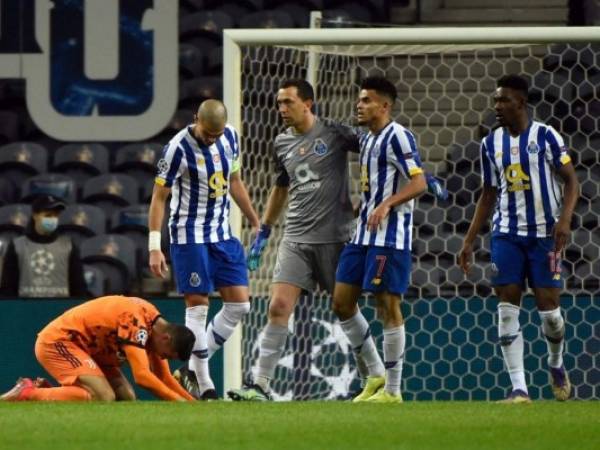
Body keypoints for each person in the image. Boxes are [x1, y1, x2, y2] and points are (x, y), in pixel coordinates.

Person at [227, 78, 446, 402]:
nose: (281, 109)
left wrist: (421, 181)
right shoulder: (281, 143)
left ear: (308, 103)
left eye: (288, 102)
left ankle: (378, 377)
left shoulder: (339, 133)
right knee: (278, 305)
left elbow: (394, 156)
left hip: (337, 237)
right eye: (278, 103)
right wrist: (265, 230)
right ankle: (260, 384)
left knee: (350, 305)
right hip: (296, 237)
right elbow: (281, 186)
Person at [459, 74, 579, 403]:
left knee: (550, 314)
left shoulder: (546, 136)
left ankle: (555, 364)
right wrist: (469, 240)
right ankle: (519, 389)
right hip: (507, 234)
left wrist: (565, 219)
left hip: (544, 235)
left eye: (504, 100)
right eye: (495, 100)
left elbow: (572, 181)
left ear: (521, 103)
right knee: (507, 307)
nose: (497, 106)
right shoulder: (490, 143)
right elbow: (488, 193)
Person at [148, 99, 260, 400]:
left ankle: (191, 369)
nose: (213, 139)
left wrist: (253, 218)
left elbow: (234, 181)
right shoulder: (176, 149)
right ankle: (206, 386)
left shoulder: (231, 136)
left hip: (222, 234)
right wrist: (155, 246)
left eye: (217, 134)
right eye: (209, 134)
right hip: (189, 235)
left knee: (240, 305)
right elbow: (159, 197)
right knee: (198, 306)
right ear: (196, 119)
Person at [330, 76, 427, 404]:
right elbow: (377, 185)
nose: (359, 105)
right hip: (362, 234)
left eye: (367, 100)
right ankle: (375, 374)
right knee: (342, 302)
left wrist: (386, 204)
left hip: (389, 237)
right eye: (359, 99)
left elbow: (419, 183)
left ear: (385, 106)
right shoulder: (368, 140)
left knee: (387, 305)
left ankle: (393, 391)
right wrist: (362, 205)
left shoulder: (398, 136)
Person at [0, 295, 196, 402]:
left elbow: (164, 377)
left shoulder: (153, 323)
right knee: (104, 396)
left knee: (126, 398)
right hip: (59, 342)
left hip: (91, 351)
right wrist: (177, 401)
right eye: (167, 355)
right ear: (166, 338)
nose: (163, 358)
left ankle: (55, 394)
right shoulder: (136, 321)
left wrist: (191, 405)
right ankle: (28, 393)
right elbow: (142, 376)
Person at [0, 194, 88, 298]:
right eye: (48, 215)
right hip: (25, 309)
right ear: (35, 215)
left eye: (56, 215)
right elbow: (8, 287)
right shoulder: (17, 245)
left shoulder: (68, 245)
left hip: (62, 308)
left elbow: (78, 286)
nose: (53, 219)